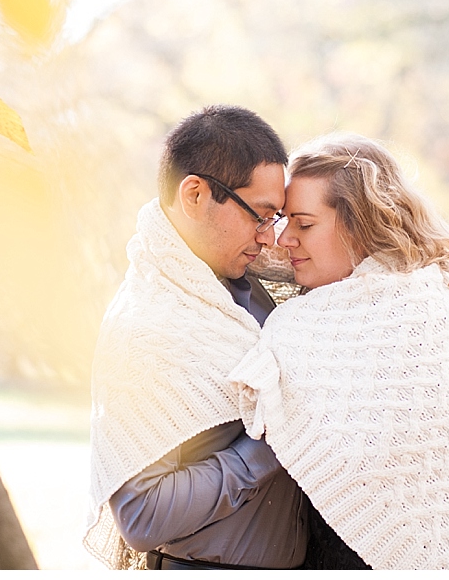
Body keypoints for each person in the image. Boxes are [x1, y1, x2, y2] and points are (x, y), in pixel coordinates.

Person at [230, 133, 449, 570]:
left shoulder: (431, 309)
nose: (284, 239)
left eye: (304, 224)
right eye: (282, 221)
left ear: (359, 224)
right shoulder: (328, 314)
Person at [83, 105, 308, 570]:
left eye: (276, 220)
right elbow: (141, 516)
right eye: (259, 216)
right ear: (195, 195)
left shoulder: (259, 290)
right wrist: (273, 441)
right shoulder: (145, 330)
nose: (269, 239)